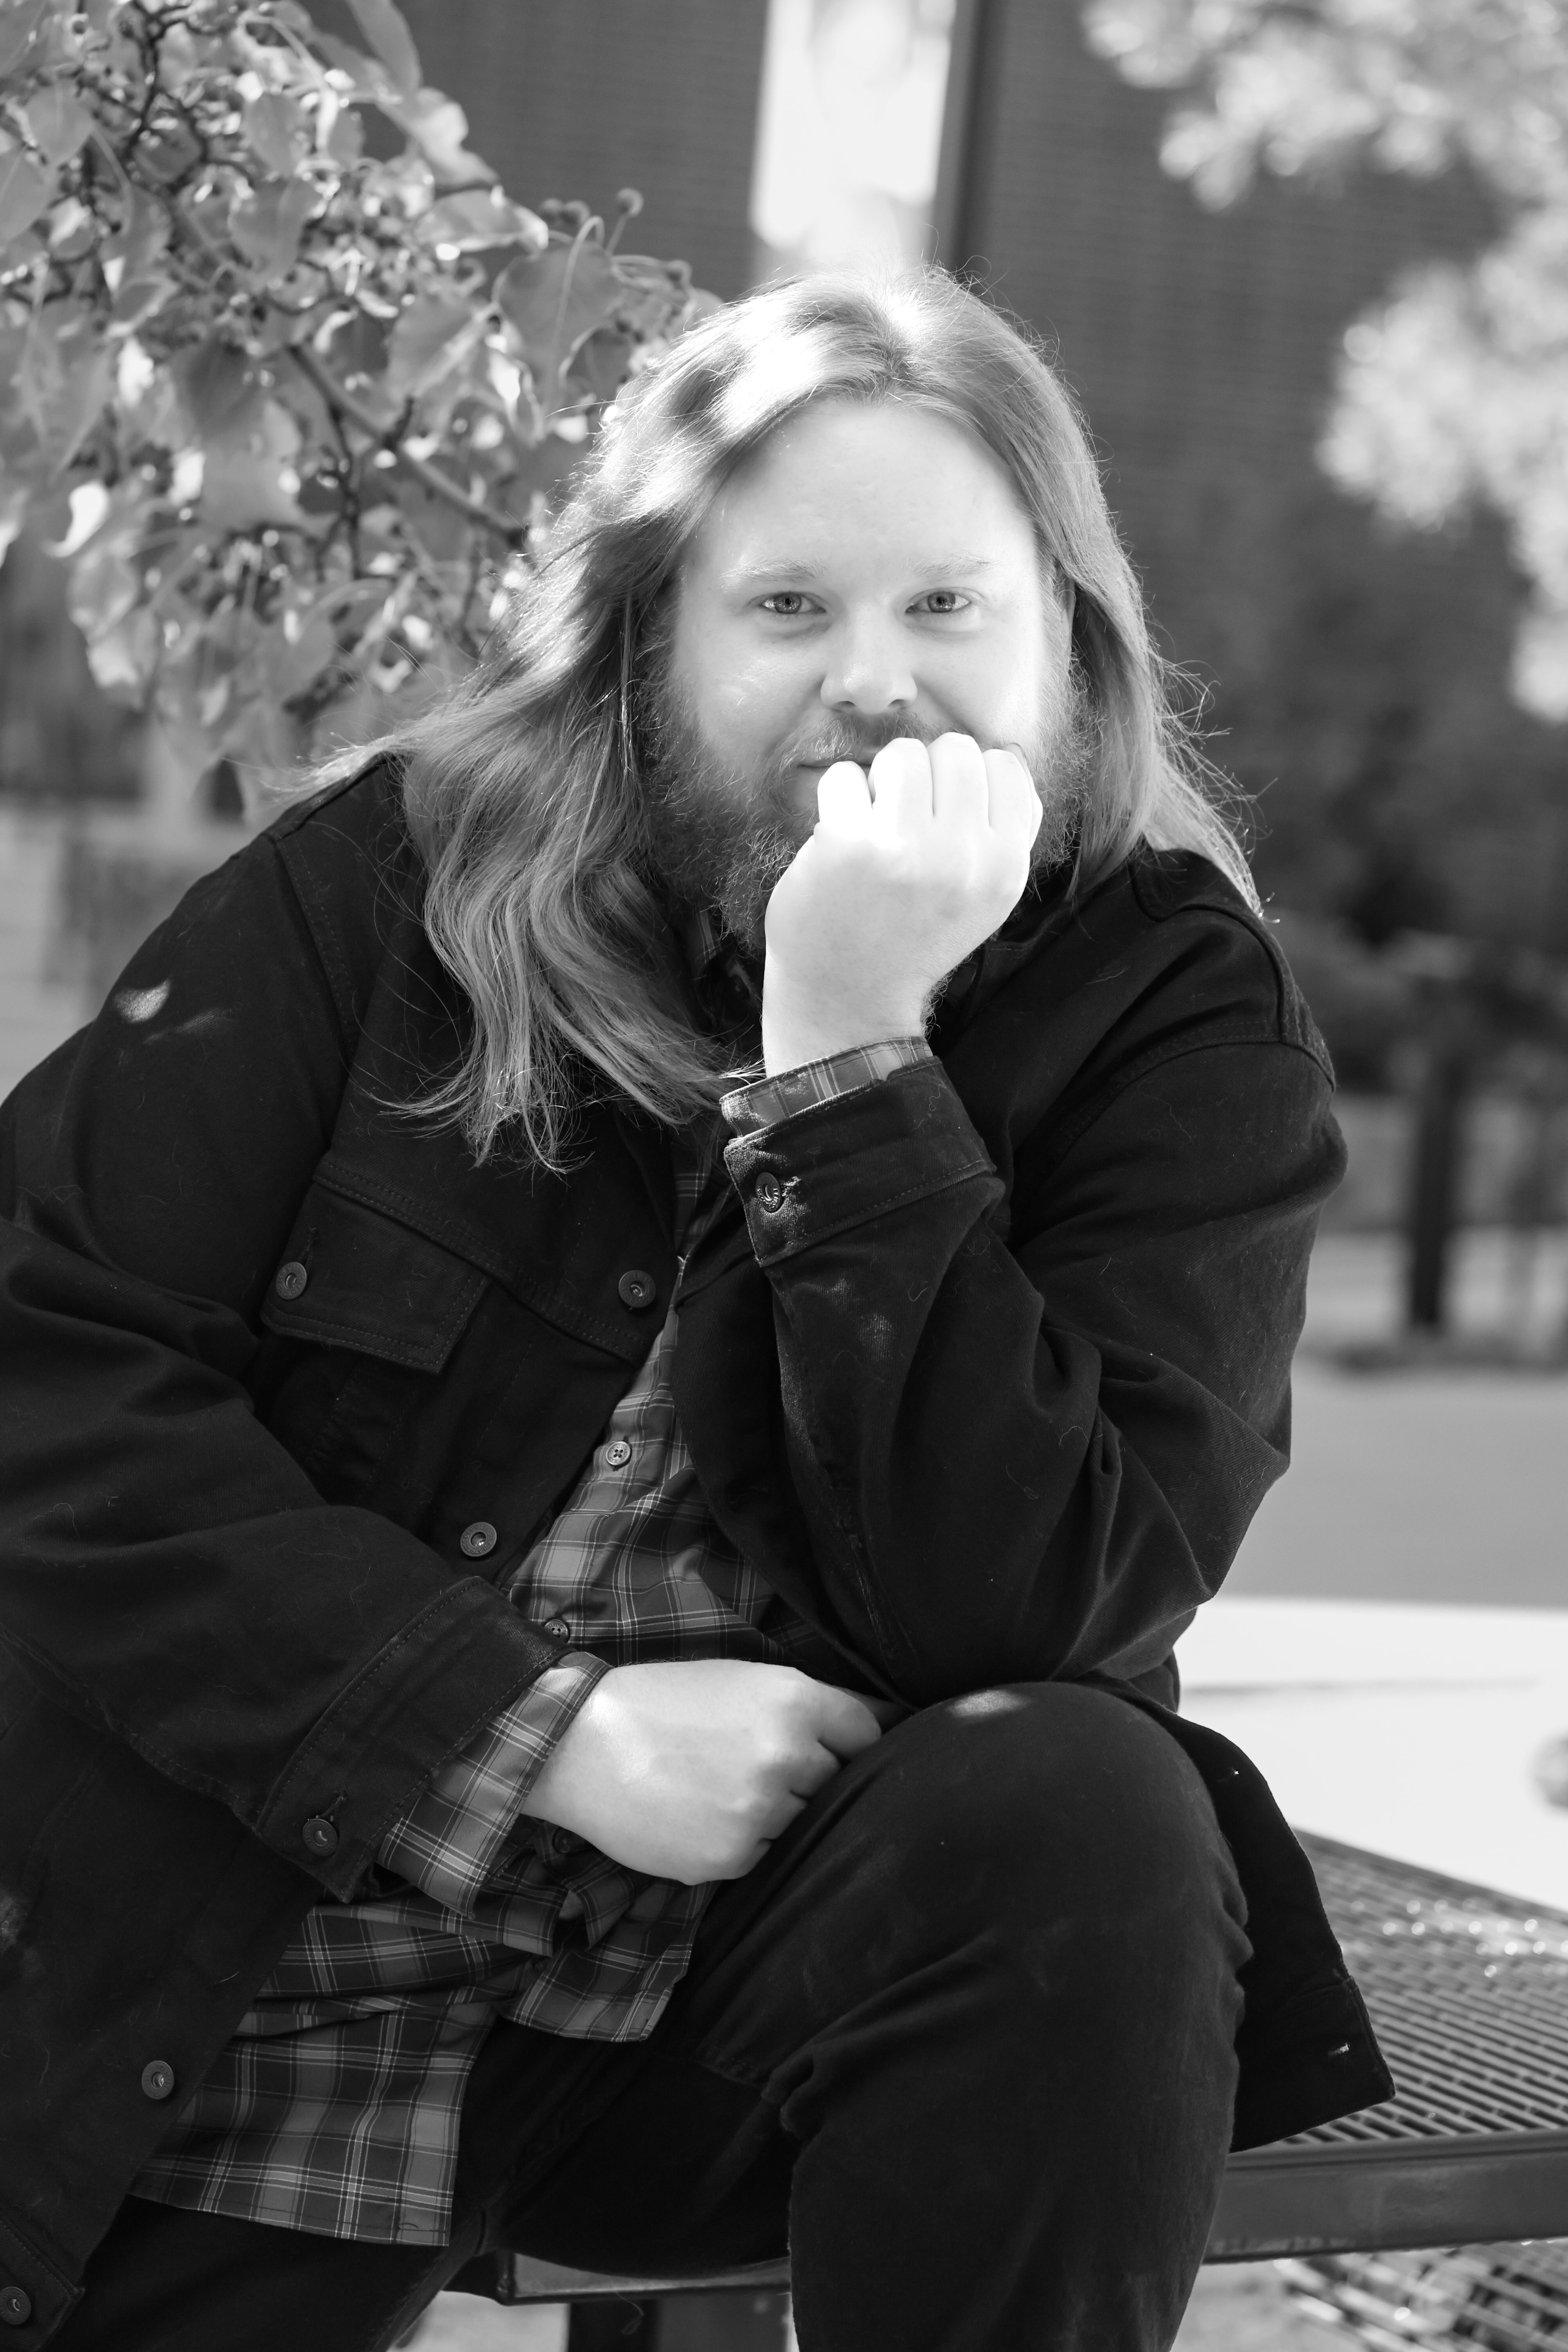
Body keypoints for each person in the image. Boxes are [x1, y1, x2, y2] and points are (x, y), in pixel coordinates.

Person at [0, 269, 1390, 2352]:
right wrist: (521, 1736)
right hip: (238, 1972)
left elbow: (1050, 1605)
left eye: (948, 609)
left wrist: (848, 1062)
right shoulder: (385, 888)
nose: (874, 682)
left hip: (717, 2020)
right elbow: (50, 1359)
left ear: (1071, 656)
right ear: (647, 640)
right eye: (786, 609)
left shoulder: (1170, 1008)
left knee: (1083, 1795)